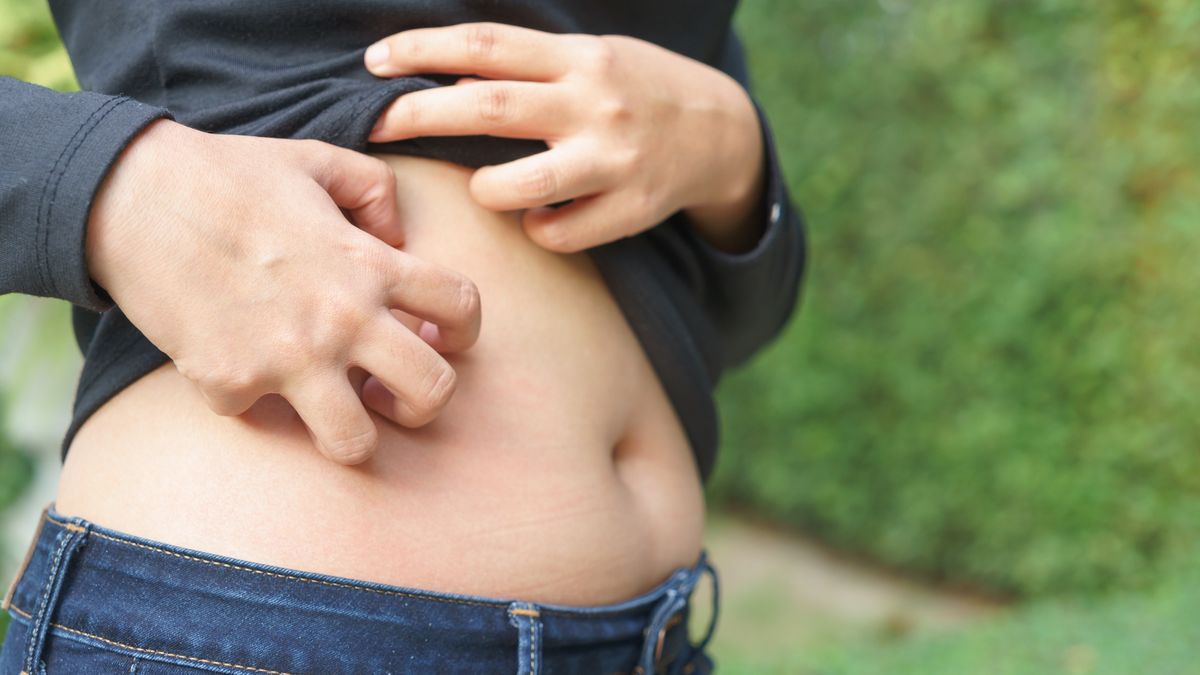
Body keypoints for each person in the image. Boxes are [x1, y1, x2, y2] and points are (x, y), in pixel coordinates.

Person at [0, 2, 805, 673]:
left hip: (656, 634)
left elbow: (739, 321)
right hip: (280, 621)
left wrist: (732, 157)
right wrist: (110, 185)